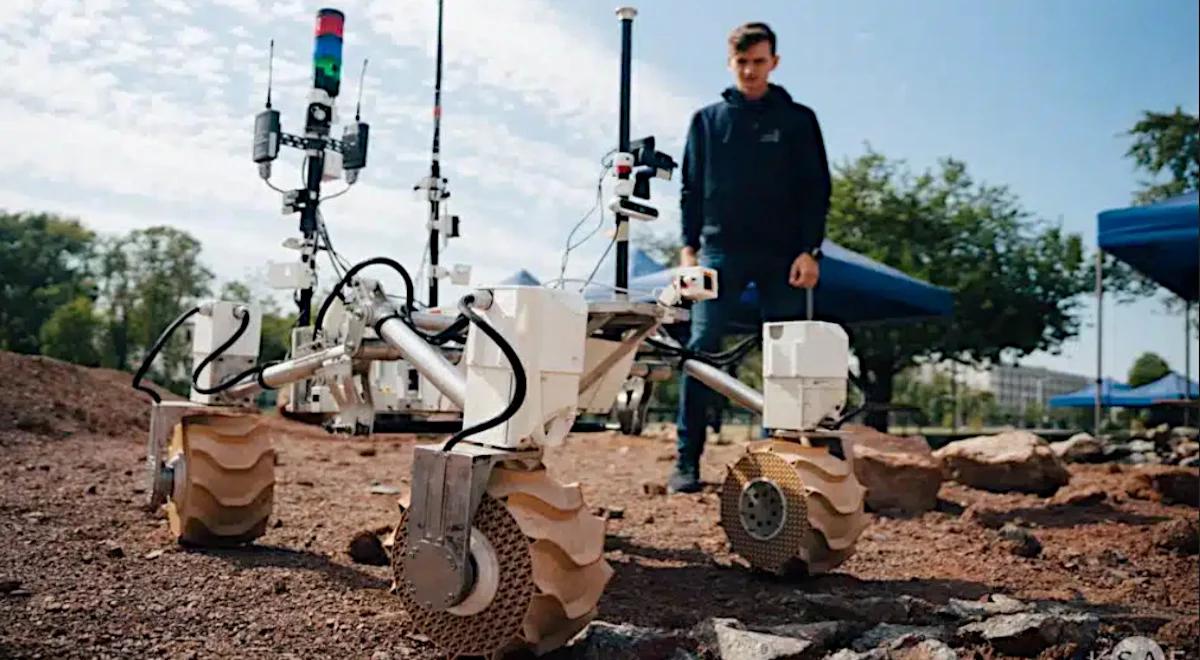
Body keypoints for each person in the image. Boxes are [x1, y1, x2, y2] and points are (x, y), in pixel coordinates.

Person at [670, 22, 832, 493]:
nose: (750, 70)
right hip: (720, 251)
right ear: (730, 63)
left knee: (785, 359)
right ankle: (686, 461)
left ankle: (774, 462)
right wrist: (688, 249)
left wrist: (810, 249)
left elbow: (816, 189)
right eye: (742, 62)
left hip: (785, 254)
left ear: (774, 62)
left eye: (759, 62)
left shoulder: (799, 120)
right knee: (700, 351)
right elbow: (690, 190)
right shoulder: (706, 121)